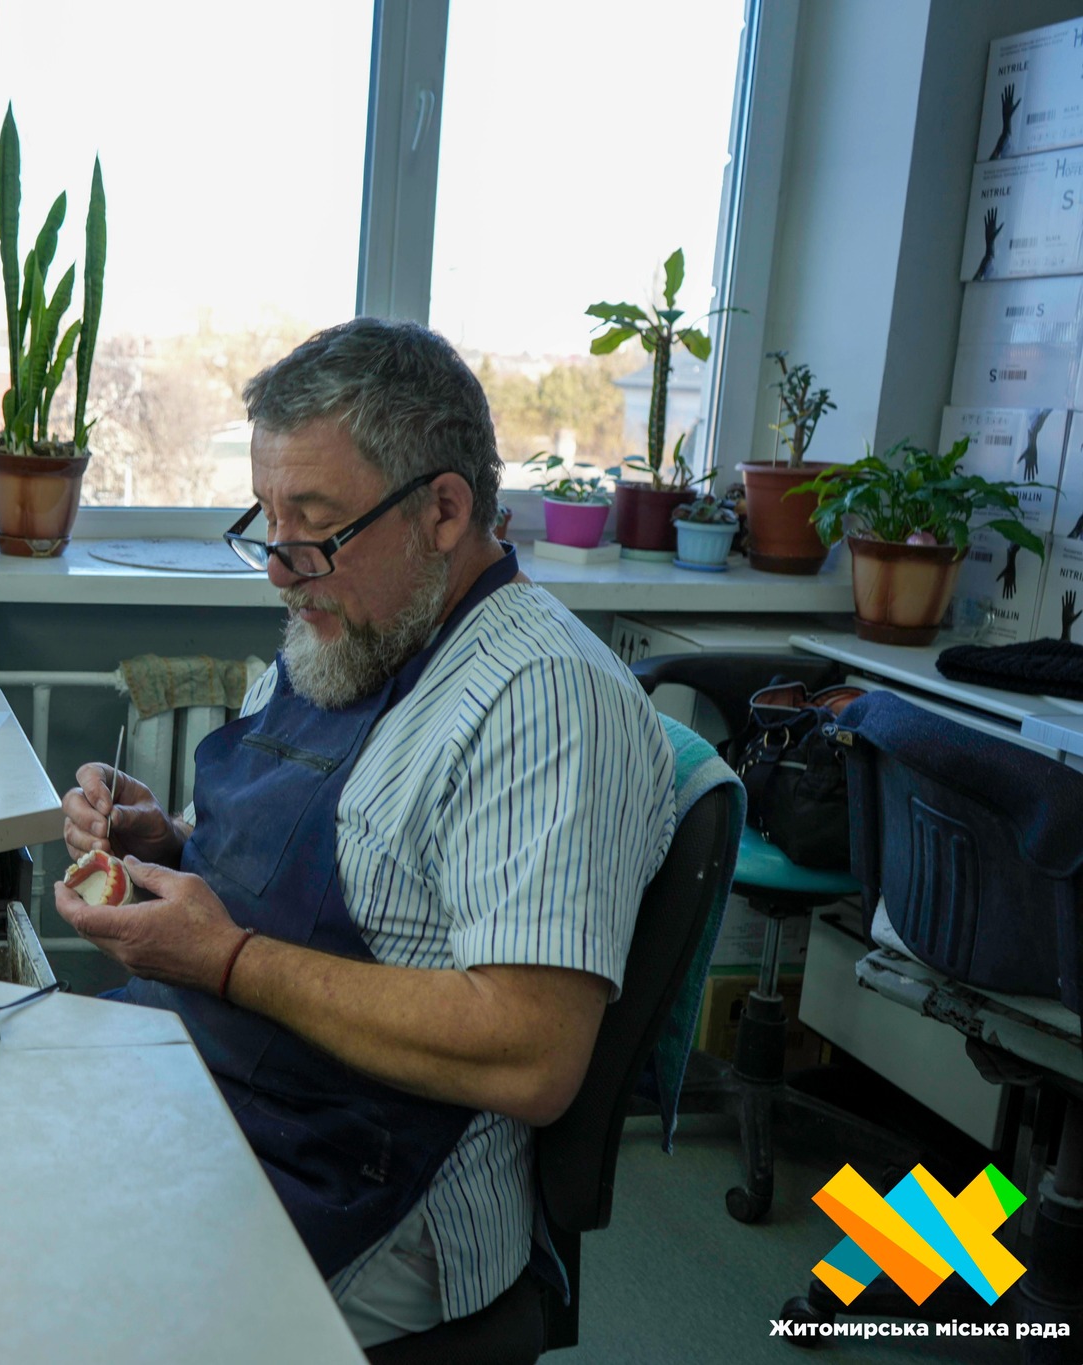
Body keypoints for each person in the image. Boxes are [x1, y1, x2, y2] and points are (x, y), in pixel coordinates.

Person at [55, 318, 676, 1348]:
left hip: (367, 1187)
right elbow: (308, 857)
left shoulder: (542, 699)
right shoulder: (349, 628)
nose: (279, 568)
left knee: (46, 1302)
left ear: (443, 510)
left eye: (315, 527)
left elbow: (531, 1053)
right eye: (266, 522)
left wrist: (227, 960)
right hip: (208, 1080)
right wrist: (162, 844)